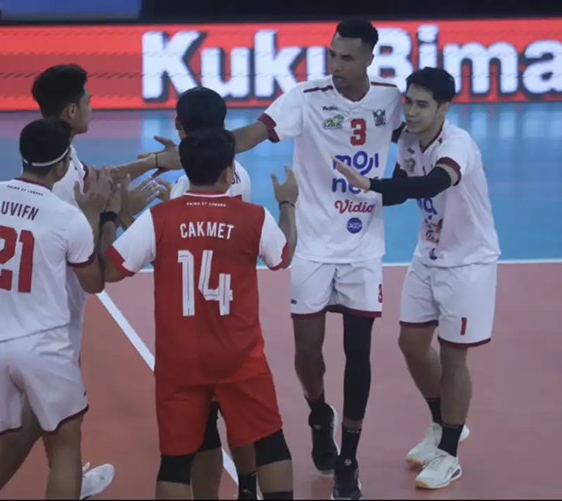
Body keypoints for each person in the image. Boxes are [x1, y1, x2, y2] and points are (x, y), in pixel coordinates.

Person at [152, 18, 404, 500]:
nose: (336, 66)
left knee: (359, 351)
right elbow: (250, 134)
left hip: (363, 246)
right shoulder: (307, 97)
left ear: (370, 59)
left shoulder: (391, 100)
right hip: (311, 244)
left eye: (347, 58)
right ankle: (318, 413)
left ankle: (348, 458)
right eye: (332, 55)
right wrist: (195, 152)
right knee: (308, 351)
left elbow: (417, 136)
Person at [0, 63, 168, 501]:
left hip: (17, 316)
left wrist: (152, 162)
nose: (92, 106)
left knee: (47, 420)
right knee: (47, 425)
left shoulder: (56, 159)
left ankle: (62, 479)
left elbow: (99, 179)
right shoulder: (66, 182)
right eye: (87, 100)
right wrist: (115, 216)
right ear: (70, 110)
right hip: (55, 320)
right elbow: (96, 271)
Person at [104, 128, 298, 500]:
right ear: (228, 172)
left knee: (176, 461)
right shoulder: (254, 217)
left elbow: (110, 271)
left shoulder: (158, 218)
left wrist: (111, 214)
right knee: (270, 442)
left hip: (179, 360)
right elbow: (283, 256)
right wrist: (287, 203)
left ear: (186, 171)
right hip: (239, 356)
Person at [332, 67, 500, 490]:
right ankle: (444, 425)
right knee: (411, 344)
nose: (411, 111)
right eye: (408, 102)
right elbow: (401, 187)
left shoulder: (458, 145)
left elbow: (432, 183)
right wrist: (357, 190)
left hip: (468, 263)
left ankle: (449, 455)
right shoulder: (408, 140)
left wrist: (370, 183)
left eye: (423, 105)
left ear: (444, 109)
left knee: (454, 358)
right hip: (428, 255)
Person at [0, 117, 122, 499]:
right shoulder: (68, 218)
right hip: (45, 346)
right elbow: (93, 283)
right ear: (62, 166)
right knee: (65, 445)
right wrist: (99, 215)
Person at [166, 87, 255, 500]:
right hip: (235, 318)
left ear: (180, 126)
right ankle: (249, 488)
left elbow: (174, 249)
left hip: (194, 324)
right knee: (240, 416)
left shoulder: (184, 187)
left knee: (202, 431)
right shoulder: (240, 175)